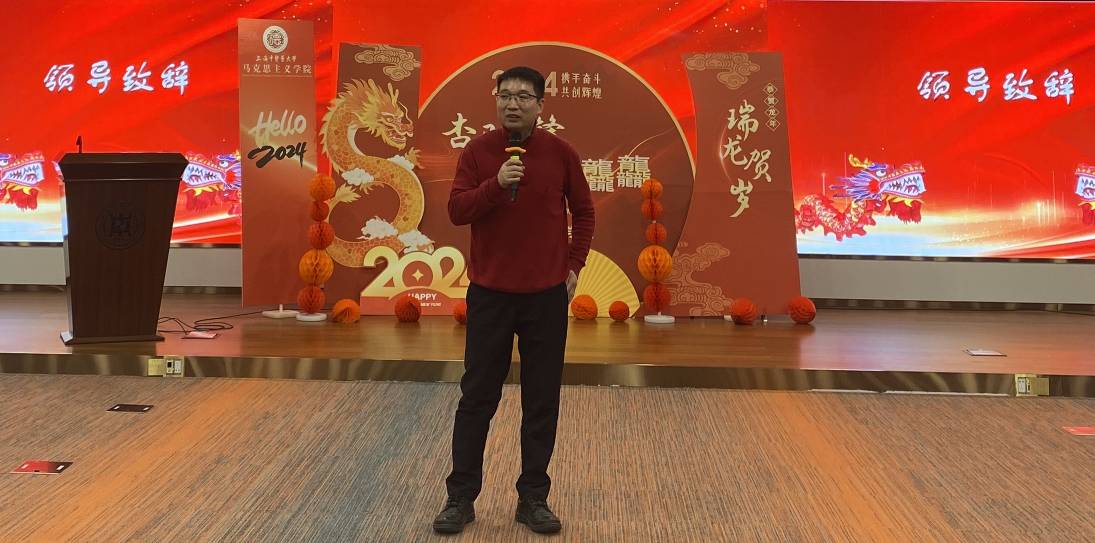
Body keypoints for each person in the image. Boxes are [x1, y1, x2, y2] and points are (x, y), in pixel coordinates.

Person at [432, 66, 595, 535]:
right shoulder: (478, 152)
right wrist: (497, 183)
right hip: (490, 296)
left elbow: (584, 212)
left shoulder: (561, 153)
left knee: (541, 400)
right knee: (477, 398)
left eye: (524, 96)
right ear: (496, 101)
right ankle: (460, 497)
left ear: (541, 105)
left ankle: (533, 497)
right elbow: (457, 210)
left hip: (545, 297)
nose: (513, 103)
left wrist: (574, 265)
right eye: (505, 95)